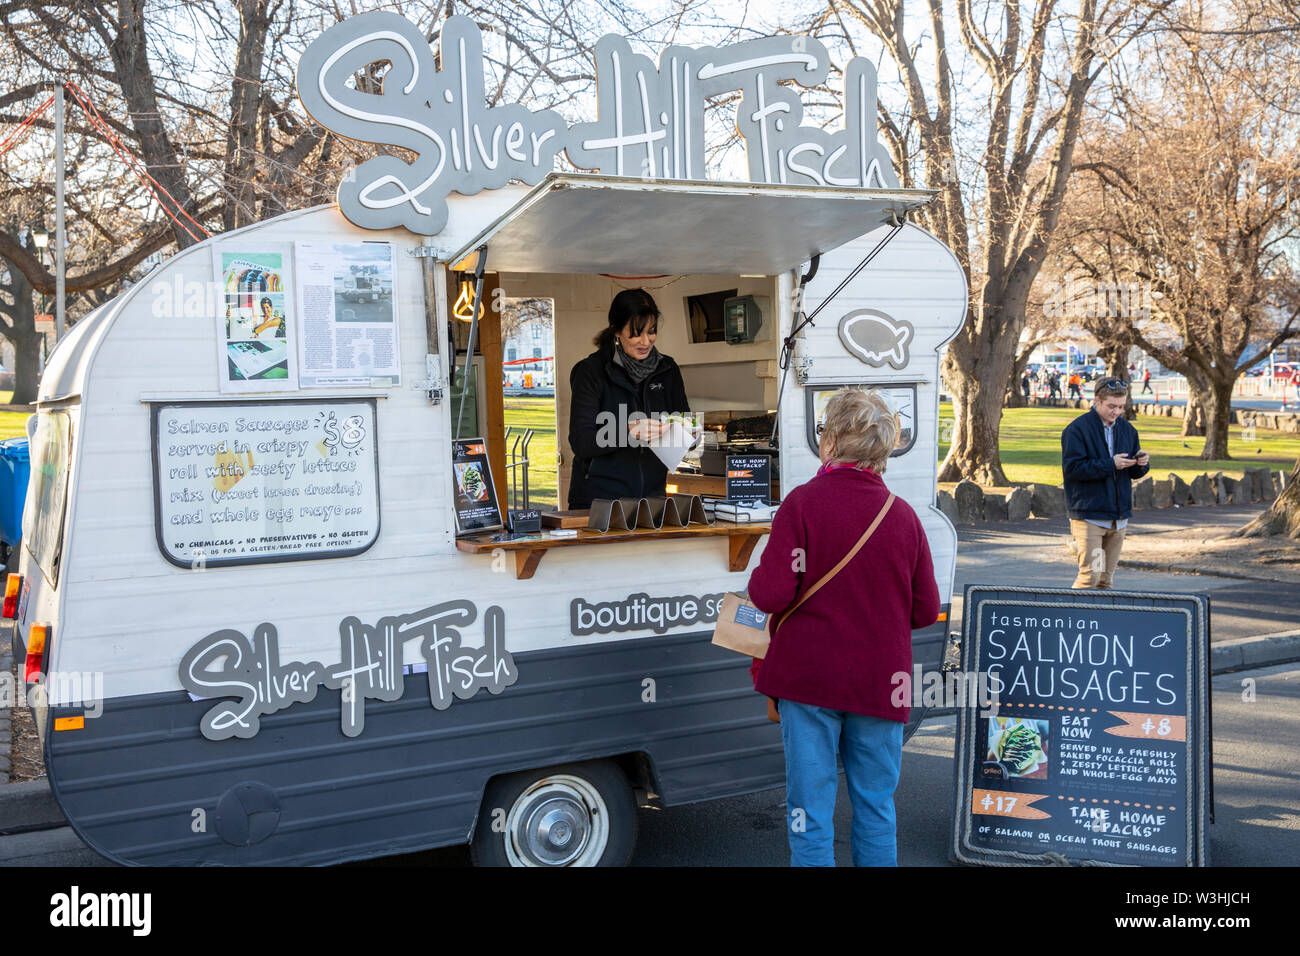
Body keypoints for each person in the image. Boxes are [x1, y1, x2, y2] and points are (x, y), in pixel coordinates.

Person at [747, 388, 940, 866]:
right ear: (884, 448)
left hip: (809, 680)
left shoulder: (802, 504)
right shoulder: (904, 517)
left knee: (808, 811)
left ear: (829, 441)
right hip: (881, 684)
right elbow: (924, 610)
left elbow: (770, 595)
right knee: (876, 806)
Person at [567, 288, 690, 508]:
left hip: (653, 498)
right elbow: (581, 442)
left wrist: (690, 433)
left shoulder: (667, 368)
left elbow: (682, 420)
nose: (645, 341)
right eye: (636, 333)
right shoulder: (590, 371)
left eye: (651, 331)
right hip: (598, 501)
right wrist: (628, 431)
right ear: (616, 331)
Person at [1061, 379, 1150, 588]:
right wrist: (1111, 464)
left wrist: (1142, 464)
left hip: (1118, 519)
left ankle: (1097, 620)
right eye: (1112, 406)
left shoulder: (1128, 430)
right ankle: (1072, 620)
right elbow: (1073, 469)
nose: (1117, 411)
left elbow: (1133, 472)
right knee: (1090, 576)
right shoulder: (1077, 429)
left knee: (1104, 580)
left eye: (1121, 407)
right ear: (1097, 401)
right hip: (1090, 518)